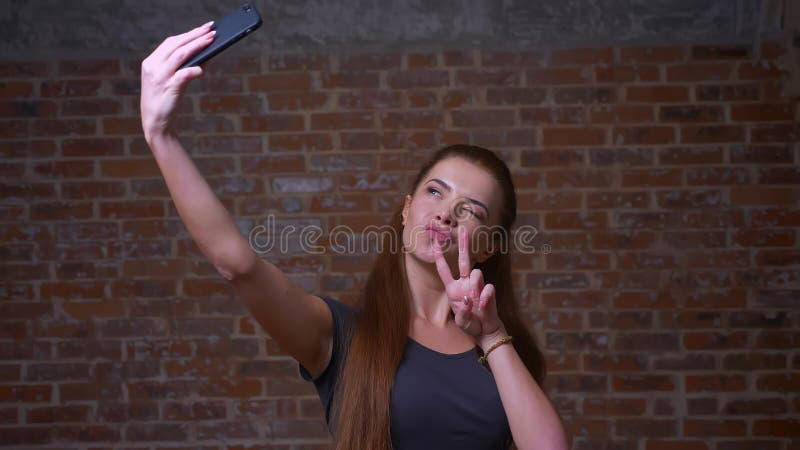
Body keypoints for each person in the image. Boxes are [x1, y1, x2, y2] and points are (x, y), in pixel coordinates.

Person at [140, 22, 568, 450]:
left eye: (470, 211)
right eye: (435, 192)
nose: (446, 213)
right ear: (405, 210)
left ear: (489, 244)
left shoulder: (507, 346)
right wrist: (161, 136)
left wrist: (492, 336)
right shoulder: (341, 336)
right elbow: (236, 264)